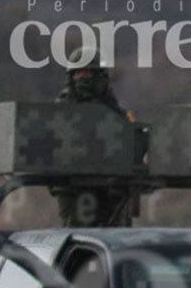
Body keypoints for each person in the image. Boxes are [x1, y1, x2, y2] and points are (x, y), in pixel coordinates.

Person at [52, 45, 137, 227]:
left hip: (112, 185)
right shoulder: (61, 111)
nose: (82, 78)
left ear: (100, 76)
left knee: (118, 232)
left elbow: (132, 145)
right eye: (78, 74)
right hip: (73, 186)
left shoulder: (115, 112)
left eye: (88, 73)